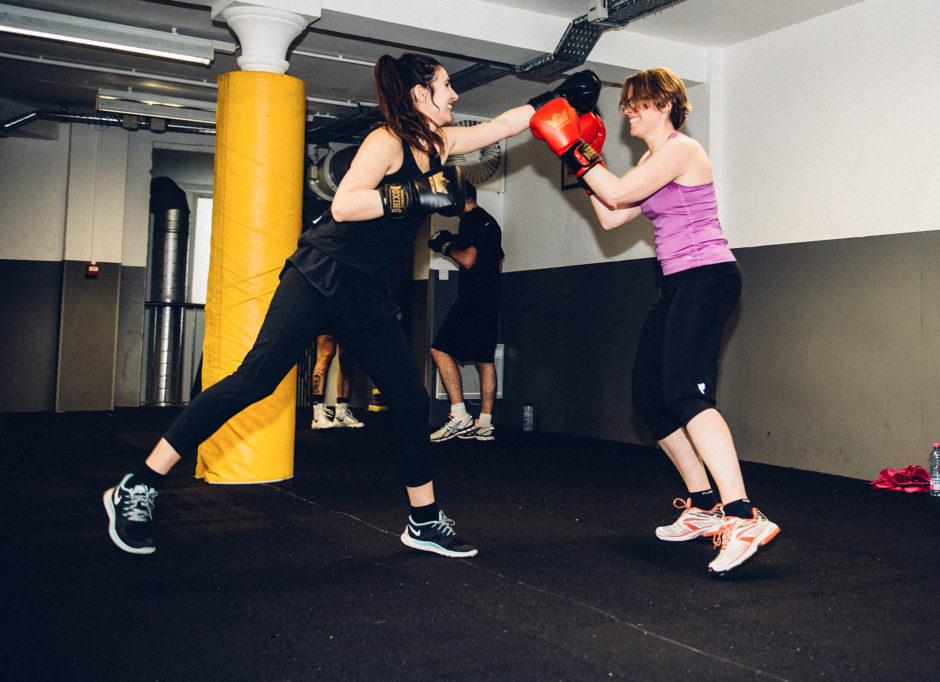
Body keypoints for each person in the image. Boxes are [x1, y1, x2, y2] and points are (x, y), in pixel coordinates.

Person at [103, 52, 600, 559]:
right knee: (254, 380)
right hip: (321, 272)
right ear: (419, 93)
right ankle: (139, 484)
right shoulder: (386, 140)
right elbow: (345, 204)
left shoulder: (441, 143)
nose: (454, 94)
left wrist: (558, 99)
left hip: (366, 290)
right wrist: (416, 196)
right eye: (446, 85)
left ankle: (424, 520)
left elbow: (500, 126)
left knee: (410, 400)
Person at [530, 67, 780, 577]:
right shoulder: (650, 161)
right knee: (649, 397)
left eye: (636, 103)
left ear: (664, 104)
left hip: (708, 276)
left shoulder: (681, 152)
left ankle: (742, 515)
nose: (627, 111)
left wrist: (574, 146)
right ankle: (703, 504)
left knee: (688, 394)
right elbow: (611, 216)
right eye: (625, 104)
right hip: (676, 284)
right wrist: (581, 156)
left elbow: (618, 193)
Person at [427, 183, 504, 442]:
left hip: (473, 298)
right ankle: (485, 423)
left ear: (458, 198)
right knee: (485, 359)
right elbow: (498, 262)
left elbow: (468, 260)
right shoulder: (490, 222)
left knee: (439, 349)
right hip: (491, 297)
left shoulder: (471, 220)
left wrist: (446, 247)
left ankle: (459, 414)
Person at [310, 331, 364, 430]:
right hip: (327, 321)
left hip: (346, 321)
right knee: (326, 354)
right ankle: (317, 417)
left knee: (347, 358)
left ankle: (341, 416)